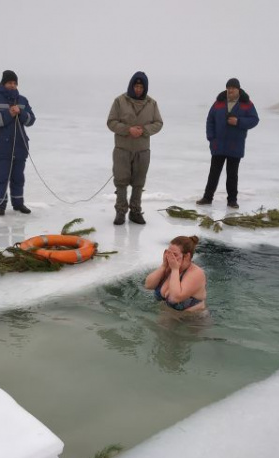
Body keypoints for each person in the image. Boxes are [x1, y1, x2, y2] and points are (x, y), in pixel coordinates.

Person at [107, 71, 164, 225]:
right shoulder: (119, 101)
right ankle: (120, 212)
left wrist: (144, 130)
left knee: (139, 182)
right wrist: (128, 130)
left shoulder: (152, 103)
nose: (138, 89)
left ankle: (135, 211)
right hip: (122, 149)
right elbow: (111, 122)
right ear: (131, 86)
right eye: (136, 86)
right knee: (121, 181)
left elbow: (158, 123)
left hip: (142, 150)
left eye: (141, 86)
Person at [196, 78, 260, 209]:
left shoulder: (246, 103)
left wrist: (238, 122)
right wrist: (211, 138)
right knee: (214, 173)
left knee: (232, 174)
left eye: (233, 88)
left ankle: (232, 200)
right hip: (218, 144)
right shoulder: (219, 102)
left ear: (238, 89)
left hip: (235, 145)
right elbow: (210, 120)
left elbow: (254, 120)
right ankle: (207, 198)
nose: (230, 90)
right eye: (228, 88)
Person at [0, 70, 36, 216]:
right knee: (1, 177)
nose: (12, 86)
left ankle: (18, 204)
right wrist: (9, 114)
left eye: (14, 83)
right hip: (1, 146)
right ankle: (0, 204)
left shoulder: (23, 100)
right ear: (3, 83)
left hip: (20, 146)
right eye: (9, 83)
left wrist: (22, 113)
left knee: (18, 177)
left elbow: (31, 120)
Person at [144, 235, 206, 312]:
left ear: (187, 256)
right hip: (167, 316)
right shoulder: (169, 267)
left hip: (192, 320)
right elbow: (148, 285)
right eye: (169, 253)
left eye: (175, 254)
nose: (170, 257)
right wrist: (163, 266)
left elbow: (175, 298)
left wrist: (175, 270)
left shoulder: (196, 273)